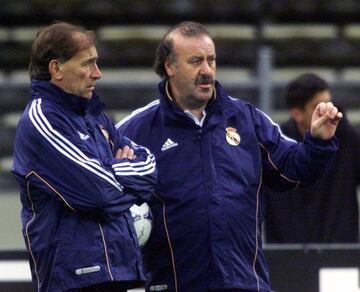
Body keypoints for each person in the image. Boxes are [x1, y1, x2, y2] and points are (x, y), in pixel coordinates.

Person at [116, 21, 342, 292]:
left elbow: (293, 169)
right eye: (196, 61)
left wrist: (317, 142)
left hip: (244, 283)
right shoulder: (135, 130)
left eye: (211, 60)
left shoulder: (247, 120)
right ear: (169, 67)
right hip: (175, 285)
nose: (206, 71)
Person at [11, 22, 157, 292]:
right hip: (73, 280)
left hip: (118, 272)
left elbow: (149, 165)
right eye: (87, 64)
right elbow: (98, 194)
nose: (97, 73)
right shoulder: (42, 119)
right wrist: (119, 171)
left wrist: (110, 170)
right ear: (56, 69)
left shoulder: (95, 114)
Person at [265, 73, 360, 243]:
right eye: (318, 107)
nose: (326, 113)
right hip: (288, 256)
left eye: (329, 104)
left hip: (339, 255)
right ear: (297, 114)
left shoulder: (347, 138)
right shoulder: (276, 145)